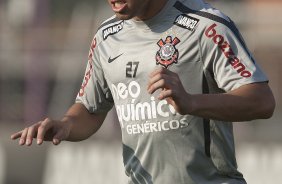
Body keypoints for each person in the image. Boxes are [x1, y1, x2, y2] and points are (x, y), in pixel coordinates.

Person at [11, 0, 275, 183]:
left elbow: (262, 101)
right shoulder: (106, 37)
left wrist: (192, 102)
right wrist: (66, 125)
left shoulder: (206, 26)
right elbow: (91, 109)